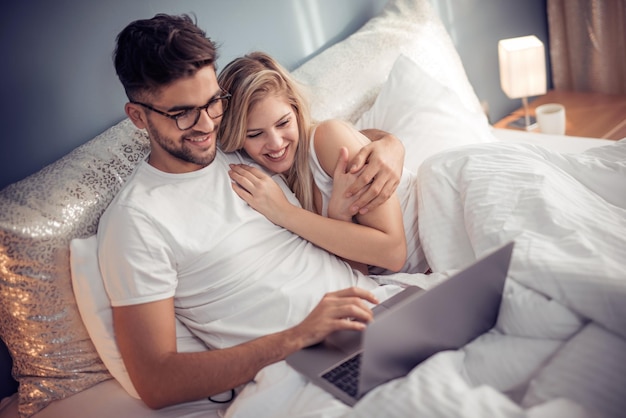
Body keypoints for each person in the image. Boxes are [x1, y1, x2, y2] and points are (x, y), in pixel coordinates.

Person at [97, 13, 408, 411]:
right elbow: (156, 381)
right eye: (182, 113)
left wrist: (389, 145)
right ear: (138, 116)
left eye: (212, 103)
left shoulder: (244, 152)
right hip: (302, 368)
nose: (205, 124)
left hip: (379, 309)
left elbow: (317, 136)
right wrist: (297, 336)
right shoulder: (136, 221)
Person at [218, 52, 429, 276]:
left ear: (296, 110)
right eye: (255, 134)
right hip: (426, 272)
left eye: (283, 123)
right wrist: (339, 217)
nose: (276, 143)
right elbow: (357, 274)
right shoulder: (273, 182)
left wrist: (283, 212)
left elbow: (393, 253)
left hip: (448, 215)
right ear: (238, 138)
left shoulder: (327, 140)